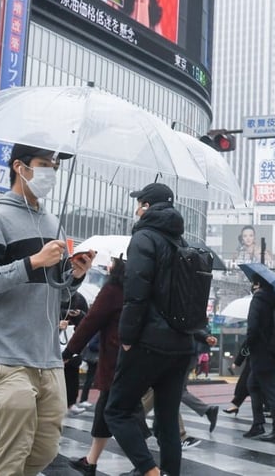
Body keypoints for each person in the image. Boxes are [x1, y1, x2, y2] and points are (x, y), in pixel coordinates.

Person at [0, 143, 95, 476]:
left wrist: (75, 274)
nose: (51, 172)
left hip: (47, 357)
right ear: (20, 167)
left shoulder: (53, 224)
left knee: (46, 448)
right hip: (4, 356)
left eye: (55, 167)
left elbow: (58, 293)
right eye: (44, 164)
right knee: (14, 450)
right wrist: (32, 262)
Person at [105, 183, 193, 476]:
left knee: (116, 411)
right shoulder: (180, 241)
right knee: (167, 420)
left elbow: (136, 293)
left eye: (139, 203)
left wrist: (127, 337)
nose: (136, 209)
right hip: (181, 343)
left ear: (146, 206)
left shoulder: (144, 238)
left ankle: (150, 472)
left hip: (149, 341)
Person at [63, 256, 126, 476]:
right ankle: (91, 461)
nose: (109, 265)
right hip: (139, 359)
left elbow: (90, 322)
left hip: (117, 361)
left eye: (113, 262)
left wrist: (69, 351)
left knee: (122, 414)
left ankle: (148, 467)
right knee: (107, 409)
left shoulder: (114, 289)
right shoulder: (144, 287)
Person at [242, 276, 275, 443]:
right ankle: (258, 423)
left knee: (271, 391)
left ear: (258, 284)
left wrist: (249, 344)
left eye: (253, 283)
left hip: (261, 352)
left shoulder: (258, 300)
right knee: (252, 384)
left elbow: (253, 327)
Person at [61, 289, 89, 415]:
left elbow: (86, 319)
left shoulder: (79, 298)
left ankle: (71, 403)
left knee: (72, 376)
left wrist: (78, 315)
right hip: (57, 340)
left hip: (72, 341)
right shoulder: (54, 295)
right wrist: (66, 313)